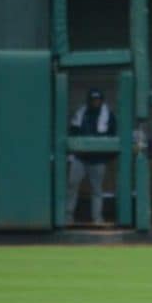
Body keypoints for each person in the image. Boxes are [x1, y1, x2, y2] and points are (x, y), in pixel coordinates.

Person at [66, 88, 117, 225]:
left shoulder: (108, 115)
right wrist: (73, 153)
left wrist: (108, 156)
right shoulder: (81, 113)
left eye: (98, 99)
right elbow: (73, 131)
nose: (96, 102)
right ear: (89, 100)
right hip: (80, 157)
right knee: (72, 186)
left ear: (102, 100)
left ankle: (97, 218)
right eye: (93, 99)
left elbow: (113, 135)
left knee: (97, 189)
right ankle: (68, 216)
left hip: (98, 159)